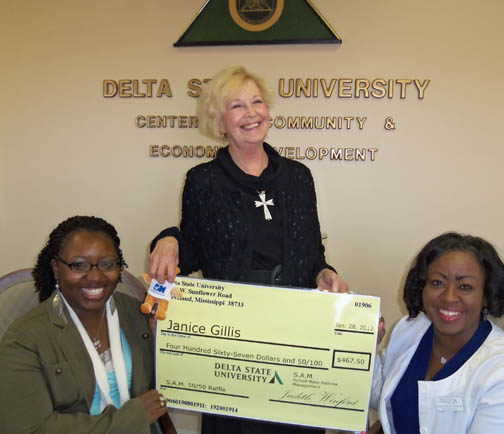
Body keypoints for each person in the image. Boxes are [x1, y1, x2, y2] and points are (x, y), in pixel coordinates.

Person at [149, 65, 348, 433]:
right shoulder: (203, 181)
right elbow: (191, 253)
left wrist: (325, 273)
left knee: (295, 423)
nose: (252, 113)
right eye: (237, 105)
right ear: (220, 122)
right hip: (232, 338)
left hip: (294, 333)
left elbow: (313, 256)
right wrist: (168, 238)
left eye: (257, 102)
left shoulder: (299, 177)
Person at [0, 216, 168, 434]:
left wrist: (164, 344)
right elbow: (28, 429)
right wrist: (133, 417)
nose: (96, 277)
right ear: (56, 269)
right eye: (79, 265)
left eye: (107, 264)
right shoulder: (24, 338)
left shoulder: (137, 314)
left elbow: (168, 388)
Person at [370, 232, 504, 434]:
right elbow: (386, 396)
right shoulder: (410, 329)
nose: (449, 297)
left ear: (486, 295)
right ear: (422, 287)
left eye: (465, 286)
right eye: (438, 283)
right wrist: (360, 348)